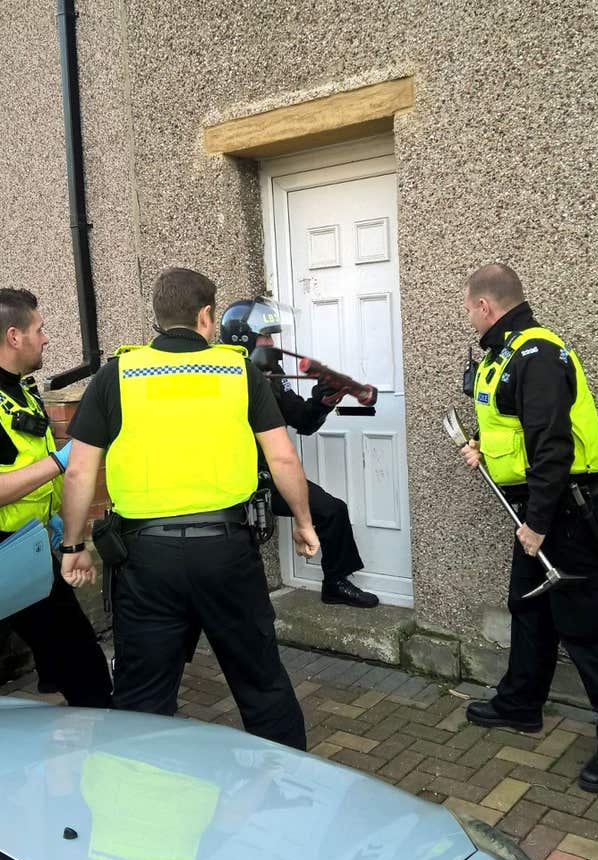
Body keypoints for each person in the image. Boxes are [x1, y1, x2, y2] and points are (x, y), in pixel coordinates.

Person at [60, 268, 318, 751]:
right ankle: (289, 795)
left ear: (157, 319)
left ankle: (144, 801)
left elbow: (78, 473)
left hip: (145, 560)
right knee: (262, 684)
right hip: (226, 553)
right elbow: (282, 455)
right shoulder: (238, 370)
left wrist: (73, 546)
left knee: (142, 699)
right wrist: (304, 522)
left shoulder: (117, 375)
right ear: (205, 316)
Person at [459, 263, 598, 793]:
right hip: (542, 507)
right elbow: (516, 429)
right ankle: (520, 704)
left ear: (485, 307)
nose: (468, 316)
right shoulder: (506, 354)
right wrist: (482, 449)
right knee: (530, 603)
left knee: (587, 625)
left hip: (568, 510)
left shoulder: (535, 354)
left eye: (469, 307)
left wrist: (537, 523)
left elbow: (553, 446)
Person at [220, 297, 379, 609]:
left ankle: (335, 582)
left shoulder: (270, 373)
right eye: (266, 335)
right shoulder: (232, 378)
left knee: (332, 510)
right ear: (246, 338)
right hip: (244, 476)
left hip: (272, 472)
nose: (272, 342)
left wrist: (325, 400)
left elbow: (302, 420)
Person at [0, 288, 111, 707]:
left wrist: (60, 528)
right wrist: (62, 461)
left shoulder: (21, 392)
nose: (46, 338)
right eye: (39, 330)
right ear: (14, 336)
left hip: (26, 551)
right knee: (83, 668)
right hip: (7, 558)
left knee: (80, 664)